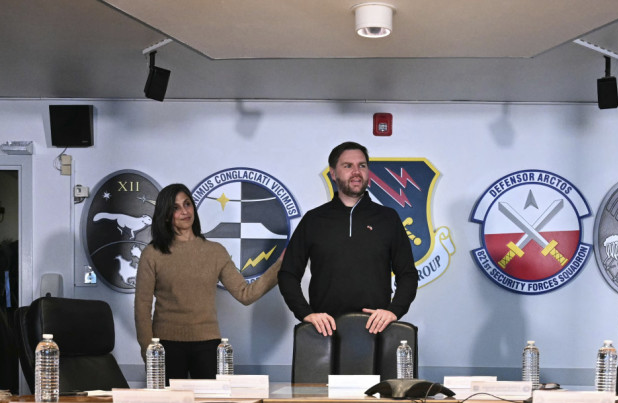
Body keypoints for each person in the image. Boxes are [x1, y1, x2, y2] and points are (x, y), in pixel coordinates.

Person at [134, 183, 283, 381]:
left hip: (208, 345)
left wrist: (281, 265)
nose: (185, 211)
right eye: (176, 208)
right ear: (166, 215)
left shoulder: (215, 251)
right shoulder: (152, 253)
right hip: (166, 346)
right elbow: (142, 308)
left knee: (212, 401)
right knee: (171, 402)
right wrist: (149, 352)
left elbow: (245, 294)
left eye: (187, 204)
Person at [278, 141, 417, 335]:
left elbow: (408, 274)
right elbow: (288, 274)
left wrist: (394, 311)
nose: (356, 172)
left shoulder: (388, 218)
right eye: (348, 166)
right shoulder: (314, 219)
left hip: (376, 331)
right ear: (333, 173)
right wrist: (306, 314)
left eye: (362, 165)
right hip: (325, 332)